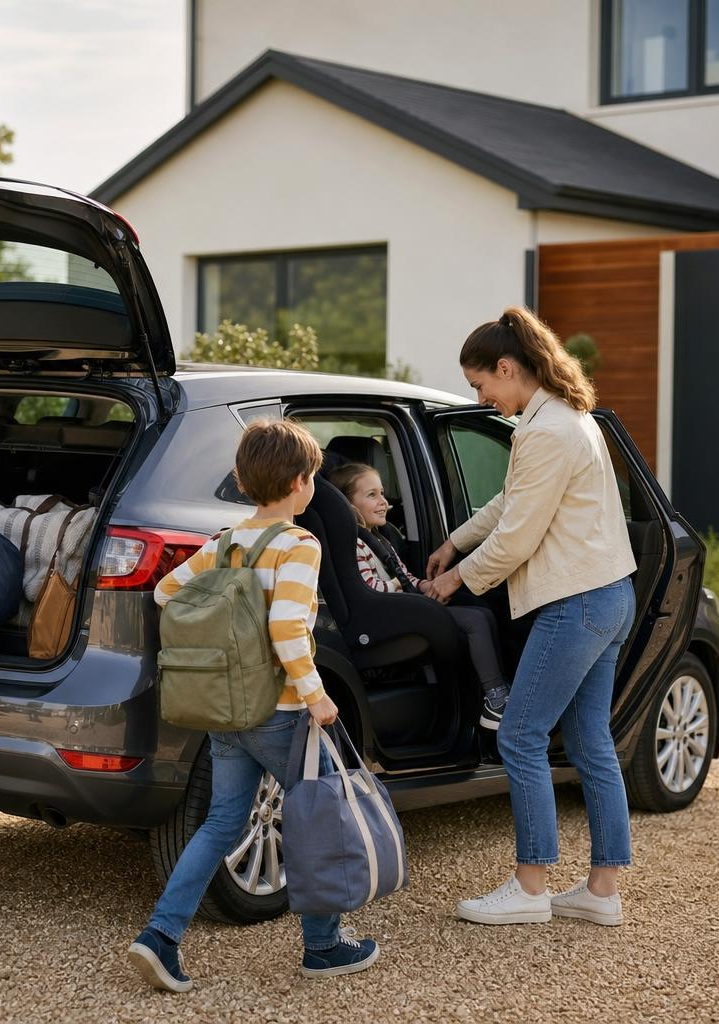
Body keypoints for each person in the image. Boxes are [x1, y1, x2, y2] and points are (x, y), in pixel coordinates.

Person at [128, 419, 379, 992]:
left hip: (227, 711)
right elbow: (289, 629)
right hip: (281, 711)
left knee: (220, 823)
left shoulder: (225, 542)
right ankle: (322, 948)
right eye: (315, 477)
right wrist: (318, 699)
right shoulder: (299, 544)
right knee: (317, 820)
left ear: (245, 483)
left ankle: (161, 937)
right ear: (300, 483)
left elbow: (167, 593)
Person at [426, 306, 637, 927]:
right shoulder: (570, 419)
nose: (482, 397)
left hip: (576, 604)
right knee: (591, 740)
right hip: (609, 597)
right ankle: (600, 892)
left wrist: (454, 580)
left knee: (519, 734)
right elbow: (509, 501)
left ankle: (531, 886)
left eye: (481, 384)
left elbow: (518, 535)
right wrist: (456, 541)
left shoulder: (545, 431)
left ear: (507, 366)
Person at [328, 462, 510, 728]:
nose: (383, 502)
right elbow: (370, 589)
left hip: (403, 608)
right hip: (389, 619)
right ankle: (495, 697)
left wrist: (424, 586)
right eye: (371, 495)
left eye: (382, 493)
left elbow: (404, 577)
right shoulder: (355, 545)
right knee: (475, 621)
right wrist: (400, 587)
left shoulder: (381, 538)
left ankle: (493, 689)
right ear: (347, 505)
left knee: (482, 612)